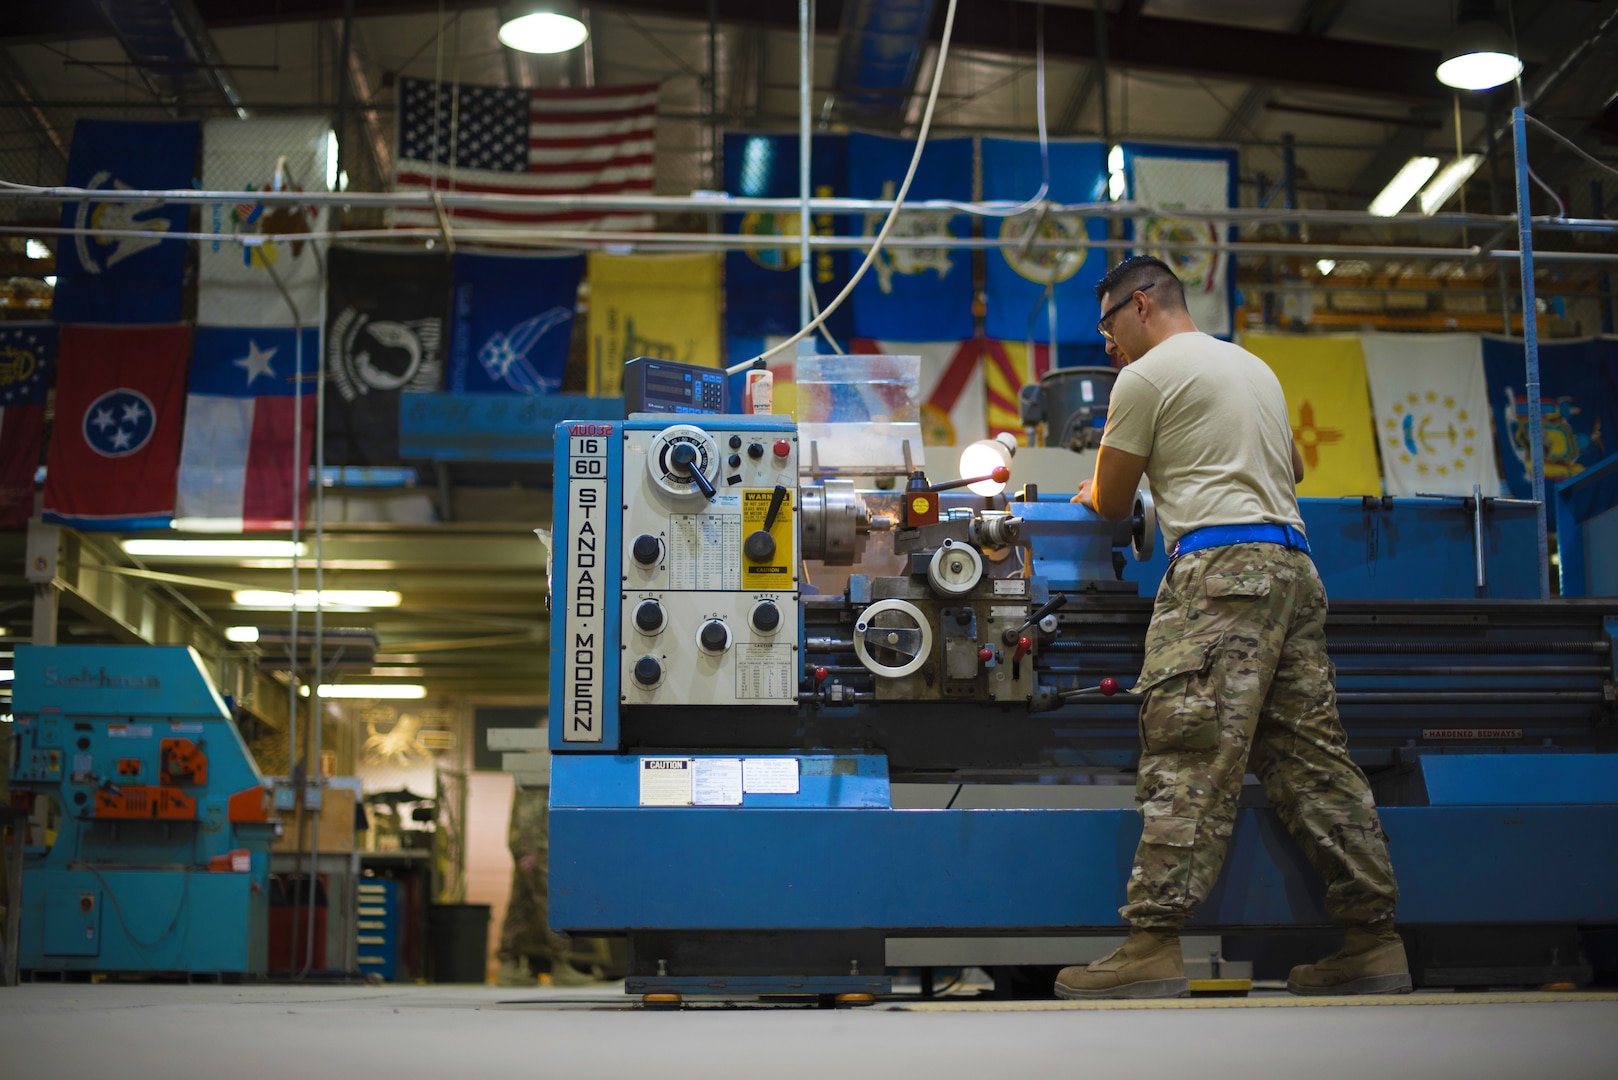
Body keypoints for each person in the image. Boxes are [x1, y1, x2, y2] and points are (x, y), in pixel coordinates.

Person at [1054, 256, 1408, 1000]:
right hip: (1295, 571)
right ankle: (1374, 941)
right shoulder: (1255, 369)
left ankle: (1152, 944)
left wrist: (1092, 485)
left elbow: (1112, 501)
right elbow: (1296, 468)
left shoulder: (1144, 378)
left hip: (1220, 575)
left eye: (1109, 324)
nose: (1108, 344)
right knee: (1313, 760)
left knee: (1188, 753)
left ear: (1142, 305)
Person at [495, 785, 597, 987]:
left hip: (529, 847)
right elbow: (528, 814)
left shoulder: (530, 761)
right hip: (535, 849)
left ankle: (507, 965)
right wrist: (530, 850)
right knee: (552, 902)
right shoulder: (538, 764)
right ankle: (561, 965)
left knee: (521, 904)